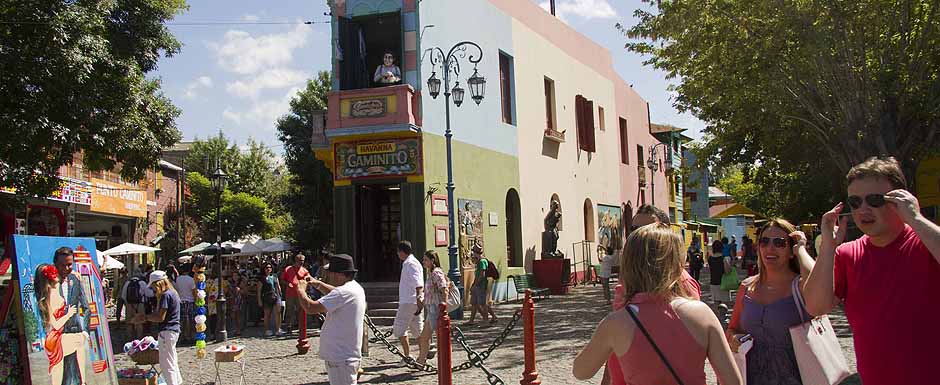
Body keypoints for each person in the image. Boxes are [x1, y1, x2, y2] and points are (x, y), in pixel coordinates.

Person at [803, 156, 940, 384]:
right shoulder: (846, 254)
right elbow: (816, 306)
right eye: (855, 202)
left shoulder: (926, 242)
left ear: (901, 200)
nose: (863, 209)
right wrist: (828, 246)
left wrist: (915, 218)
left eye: (875, 200)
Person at [573, 224, 742, 385]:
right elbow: (733, 381)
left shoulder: (617, 322)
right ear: (677, 265)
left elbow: (581, 372)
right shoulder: (701, 314)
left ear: (629, 266)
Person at [602, 205, 701, 385]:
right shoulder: (629, 279)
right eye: (634, 230)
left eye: (647, 229)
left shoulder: (681, 283)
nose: (638, 236)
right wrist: (607, 376)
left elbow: (691, 344)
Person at [725, 219, 815, 384]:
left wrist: (801, 249)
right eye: (764, 241)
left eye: (779, 243)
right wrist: (735, 339)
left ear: (791, 250)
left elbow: (818, 281)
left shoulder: (802, 286)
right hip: (751, 378)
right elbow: (732, 329)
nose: (770, 248)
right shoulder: (746, 287)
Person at [295, 254, 366, 385]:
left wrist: (300, 290)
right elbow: (336, 293)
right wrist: (318, 284)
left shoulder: (343, 292)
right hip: (345, 356)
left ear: (339, 274)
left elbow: (311, 307)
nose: (329, 276)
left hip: (340, 357)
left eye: (331, 273)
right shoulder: (354, 288)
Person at [33, 263, 90, 385]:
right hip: (54, 339)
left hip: (58, 336)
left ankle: (83, 381)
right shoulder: (48, 298)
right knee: (57, 373)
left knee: (78, 343)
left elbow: (62, 278)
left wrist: (73, 274)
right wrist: (68, 315)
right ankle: (83, 381)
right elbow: (56, 325)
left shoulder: (53, 288)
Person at [136, 271, 182, 385]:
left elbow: (160, 317)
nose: (153, 290)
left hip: (167, 331)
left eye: (153, 287)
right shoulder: (173, 293)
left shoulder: (165, 295)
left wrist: (145, 318)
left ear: (158, 284)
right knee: (172, 361)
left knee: (166, 364)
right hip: (174, 330)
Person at [52, 247, 90, 385]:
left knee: (77, 375)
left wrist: (85, 331)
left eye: (69, 264)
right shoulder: (50, 282)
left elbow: (86, 307)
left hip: (74, 333)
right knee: (60, 375)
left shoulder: (75, 279)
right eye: (63, 265)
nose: (67, 268)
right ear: (55, 264)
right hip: (57, 335)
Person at [417, 250, 449, 366]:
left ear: (432, 260)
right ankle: (421, 361)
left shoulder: (436, 273)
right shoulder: (430, 273)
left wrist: (443, 308)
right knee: (424, 337)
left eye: (425, 259)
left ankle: (444, 362)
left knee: (440, 338)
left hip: (436, 309)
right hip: (430, 308)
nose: (423, 262)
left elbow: (444, 289)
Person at [394, 241, 424, 362]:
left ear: (401, 252)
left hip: (408, 302)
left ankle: (407, 355)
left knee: (399, 328)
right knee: (417, 330)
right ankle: (423, 355)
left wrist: (419, 299)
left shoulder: (410, 264)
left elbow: (418, 284)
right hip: (411, 301)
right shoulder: (410, 263)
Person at [281, 253, 309, 334]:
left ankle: (300, 325)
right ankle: (288, 326)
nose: (302, 262)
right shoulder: (288, 269)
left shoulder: (304, 270)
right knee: (289, 310)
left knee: (300, 310)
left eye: (303, 261)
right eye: (300, 261)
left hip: (300, 294)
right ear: (296, 261)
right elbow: (282, 279)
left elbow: (308, 280)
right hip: (290, 294)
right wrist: (287, 284)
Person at [466, 245, 492, 325]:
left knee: (482, 304)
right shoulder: (479, 261)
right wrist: (473, 284)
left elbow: (482, 274)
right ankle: (471, 320)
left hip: (481, 285)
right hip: (477, 284)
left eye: (473, 252)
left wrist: (476, 283)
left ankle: (486, 320)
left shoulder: (482, 261)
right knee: (474, 303)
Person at [258, 262, 284, 337]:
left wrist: (280, 294)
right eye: (266, 268)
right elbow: (259, 290)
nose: (268, 269)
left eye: (270, 267)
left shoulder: (275, 276)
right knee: (267, 314)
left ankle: (278, 329)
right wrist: (259, 300)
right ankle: (267, 330)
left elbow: (278, 286)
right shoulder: (262, 278)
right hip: (267, 297)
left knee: (278, 313)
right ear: (264, 269)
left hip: (276, 296)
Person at [121, 270, 147, 338]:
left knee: (129, 322)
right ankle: (139, 337)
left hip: (129, 305)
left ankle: (130, 338)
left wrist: (127, 304)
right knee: (139, 322)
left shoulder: (127, 283)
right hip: (140, 305)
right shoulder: (142, 283)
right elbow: (148, 294)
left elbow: (123, 296)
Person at [173, 267, 196, 343]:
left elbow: (176, 289)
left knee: (182, 320)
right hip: (190, 301)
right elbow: (193, 291)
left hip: (181, 301)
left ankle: (183, 336)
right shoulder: (191, 279)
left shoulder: (178, 279)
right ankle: (190, 336)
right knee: (191, 320)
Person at [711, 237, 732, 305]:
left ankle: (717, 315)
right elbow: (727, 271)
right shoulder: (723, 259)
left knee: (716, 303)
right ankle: (723, 315)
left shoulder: (710, 258)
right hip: (723, 283)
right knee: (725, 304)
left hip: (713, 282)